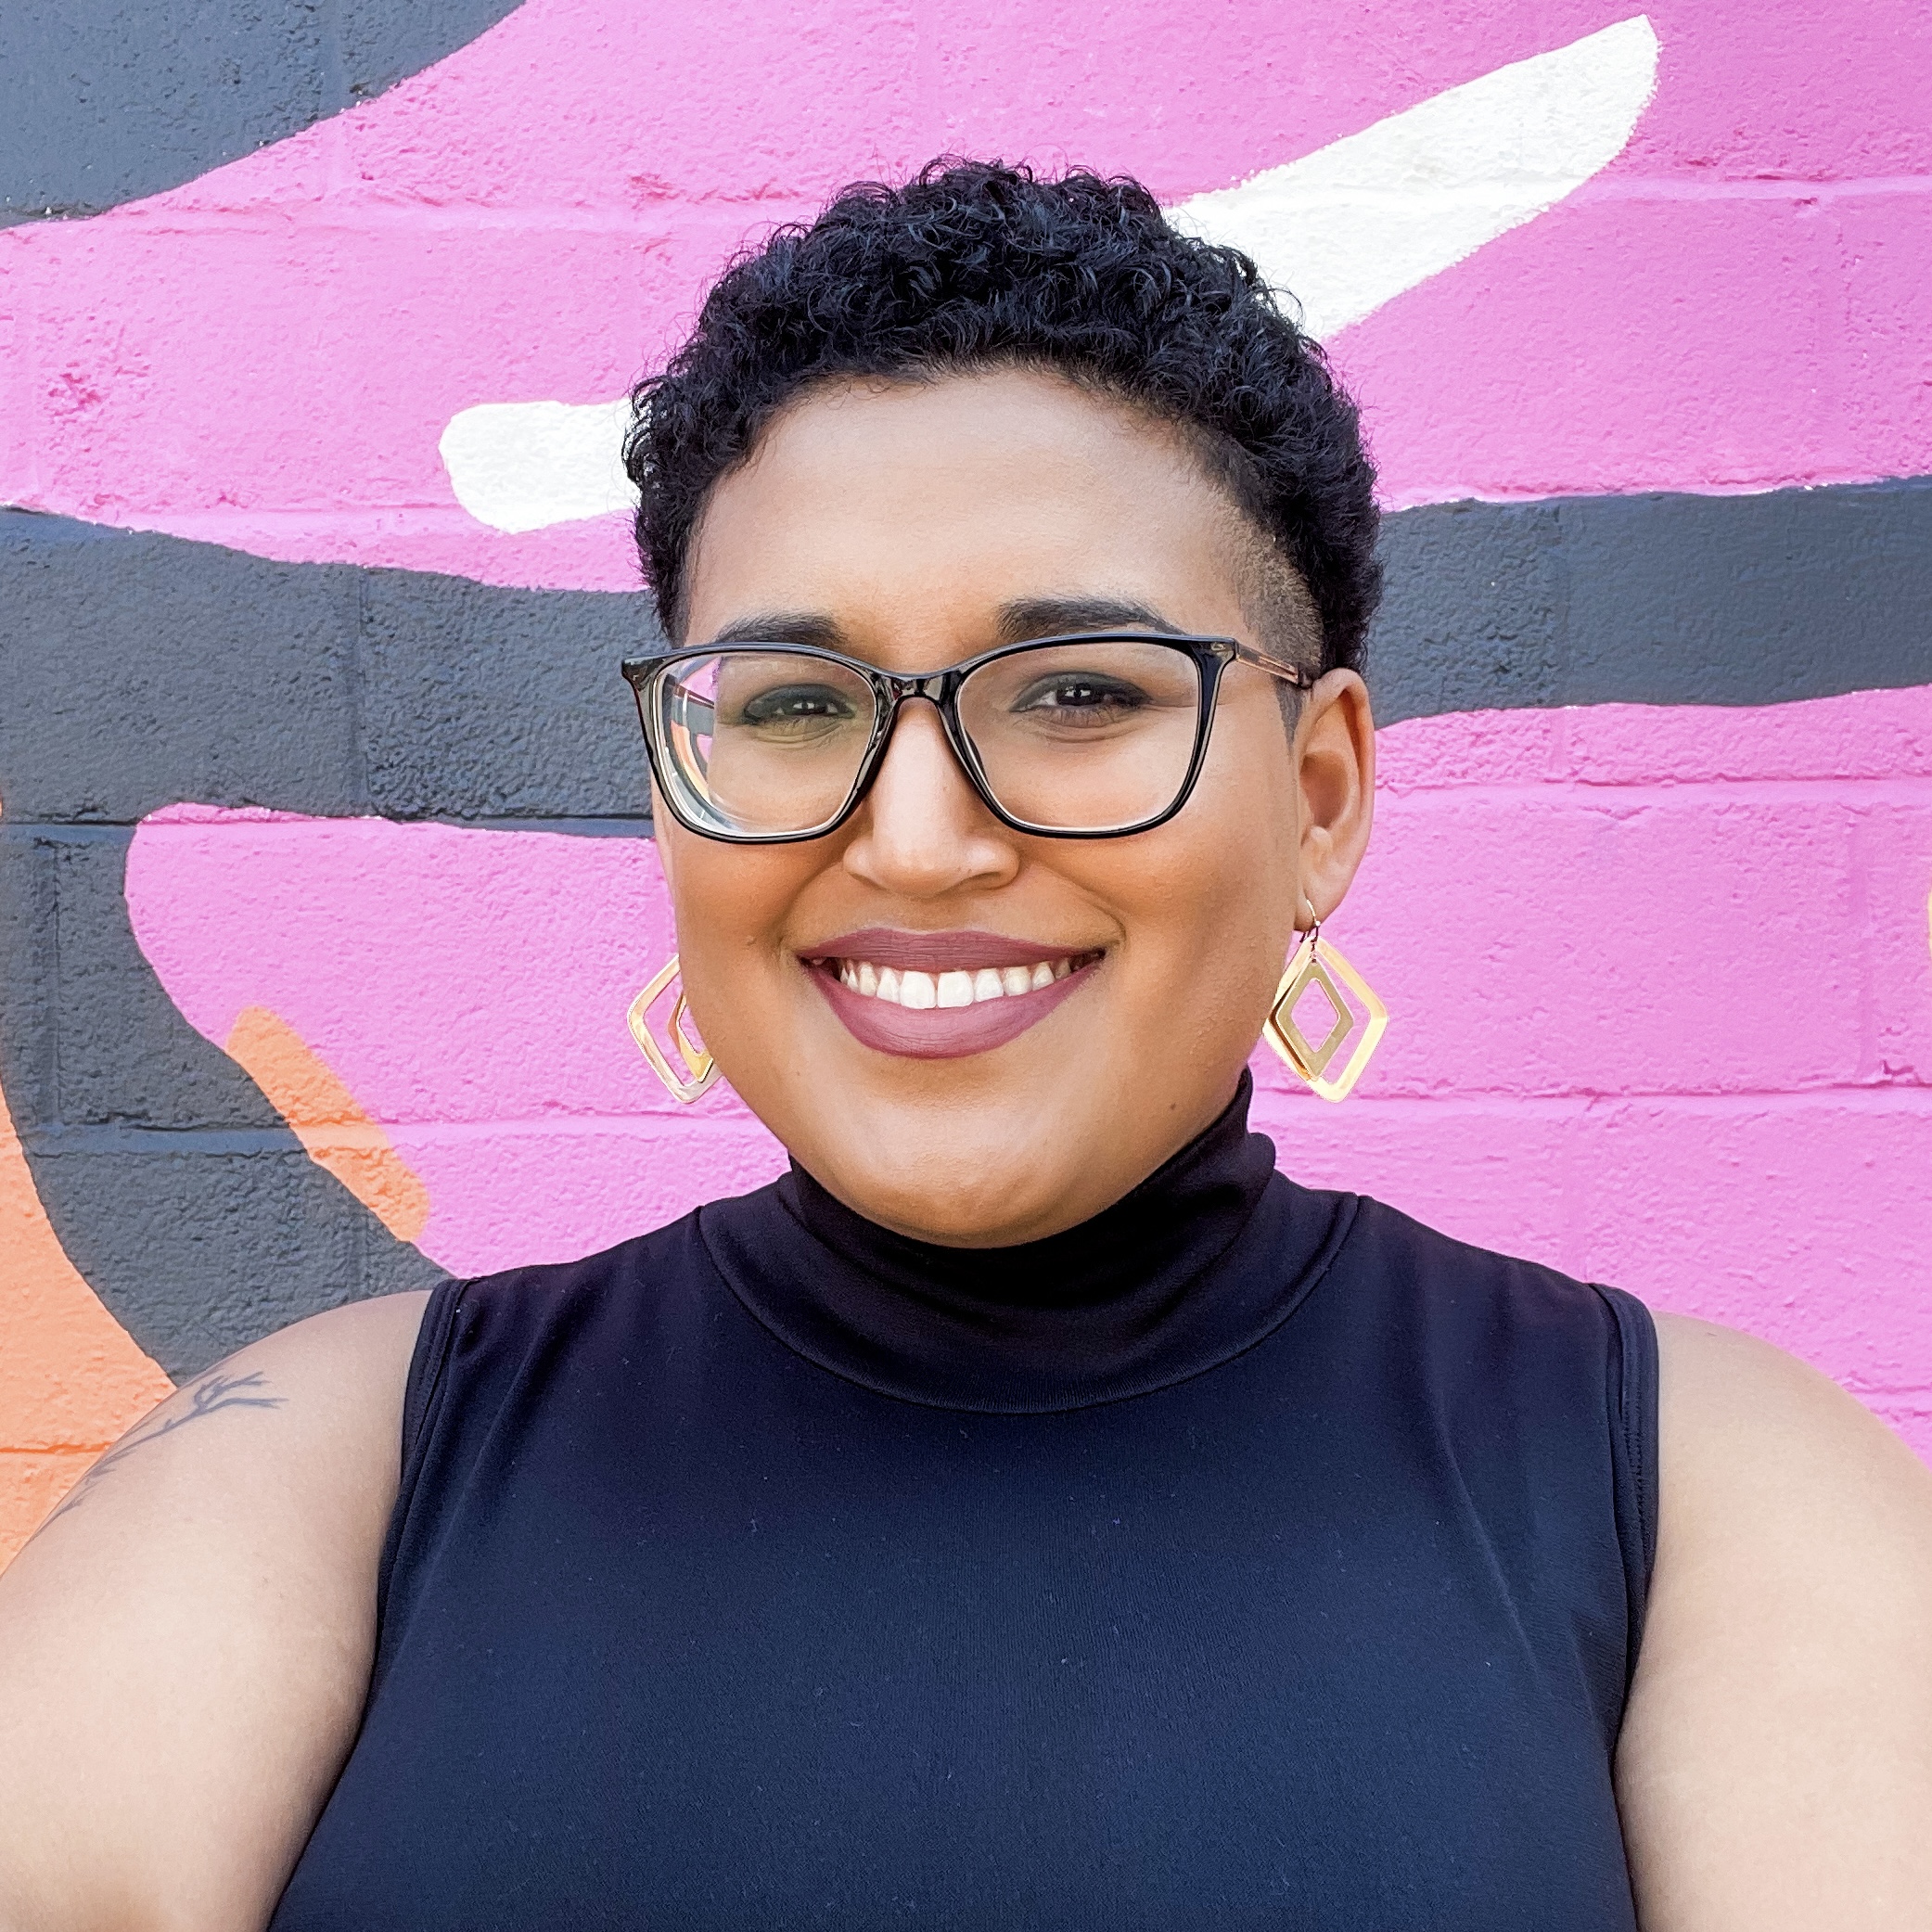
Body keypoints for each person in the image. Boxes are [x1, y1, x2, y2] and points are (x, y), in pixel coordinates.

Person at [3, 160, 1929, 1932]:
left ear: (1323, 792)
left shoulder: (1709, 1499)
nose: (914, 838)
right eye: (785, 700)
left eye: (1081, 689)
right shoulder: (308, 1485)